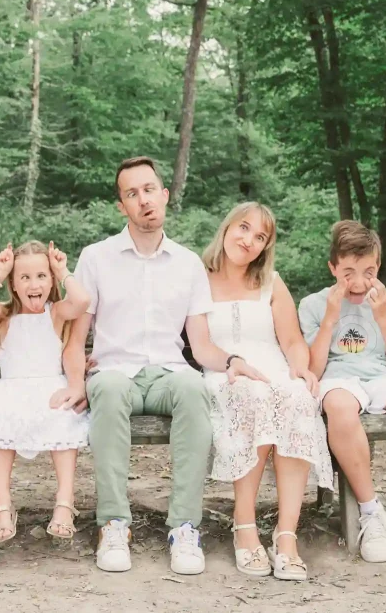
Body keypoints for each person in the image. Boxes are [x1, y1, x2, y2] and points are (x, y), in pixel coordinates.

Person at [67, 156, 266, 576]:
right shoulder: (96, 258)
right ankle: (114, 524)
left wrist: (232, 361)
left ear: (165, 194)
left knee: (194, 389)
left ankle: (184, 527)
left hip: (166, 375)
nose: (143, 200)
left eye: (149, 189)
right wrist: (74, 380)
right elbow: (74, 336)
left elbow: (201, 344)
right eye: (132, 193)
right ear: (122, 205)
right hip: (113, 372)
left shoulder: (187, 263)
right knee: (108, 388)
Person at [202, 202, 333, 581]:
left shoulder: (271, 282)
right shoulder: (198, 277)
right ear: (227, 228)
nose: (249, 240)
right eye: (244, 228)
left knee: (296, 397)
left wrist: (298, 366)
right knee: (254, 397)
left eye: (260, 237)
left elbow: (292, 339)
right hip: (222, 369)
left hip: (272, 365)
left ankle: (286, 535)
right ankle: (244, 525)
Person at [299, 220, 386, 563]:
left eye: (369, 271)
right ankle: (370, 512)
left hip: (381, 378)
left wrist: (383, 319)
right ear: (332, 267)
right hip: (338, 379)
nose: (359, 282)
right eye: (348, 272)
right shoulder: (313, 305)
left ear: (378, 267)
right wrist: (332, 318)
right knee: (339, 405)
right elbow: (313, 371)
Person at [0, 240, 91, 548]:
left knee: (64, 416)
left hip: (52, 387)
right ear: (13, 283)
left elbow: (82, 300)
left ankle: (64, 502)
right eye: (24, 277)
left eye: (41, 276)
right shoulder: (3, 316)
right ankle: (3, 506)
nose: (34, 283)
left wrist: (63, 271)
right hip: (12, 390)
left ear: (50, 282)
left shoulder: (57, 313)